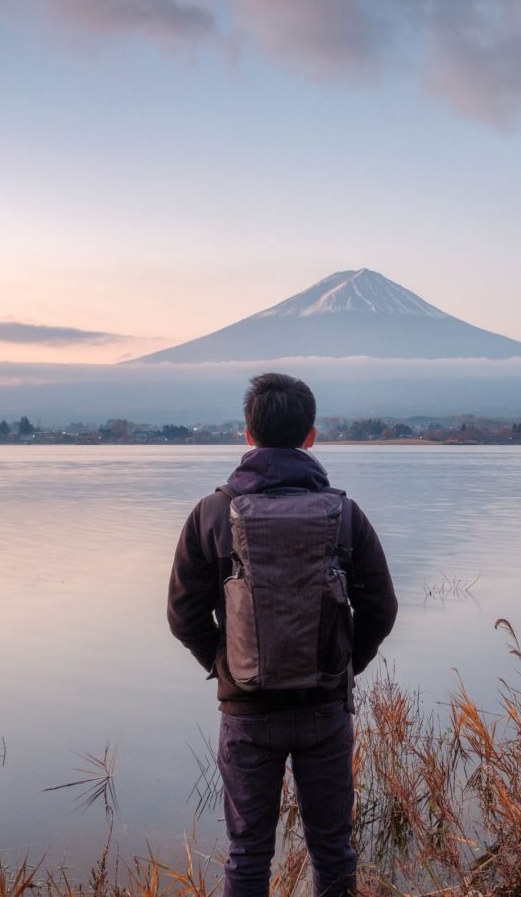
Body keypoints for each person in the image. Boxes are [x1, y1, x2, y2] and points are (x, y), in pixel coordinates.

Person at [167, 372, 397, 897]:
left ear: (248, 435)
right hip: (323, 710)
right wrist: (342, 667)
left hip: (246, 712)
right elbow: (381, 609)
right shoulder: (344, 514)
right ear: (311, 436)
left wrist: (225, 664)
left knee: (248, 853)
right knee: (333, 847)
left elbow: (183, 614)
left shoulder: (212, 513)